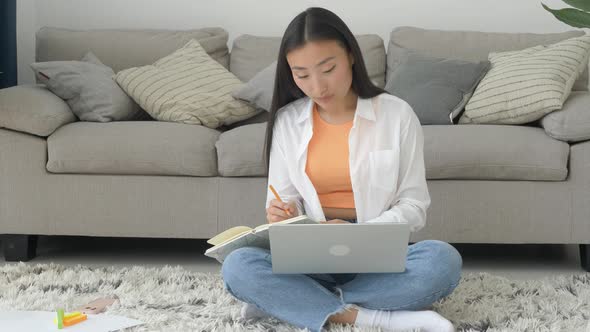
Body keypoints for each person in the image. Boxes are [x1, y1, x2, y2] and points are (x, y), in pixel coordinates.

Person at [221, 7, 462, 332]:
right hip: (311, 257)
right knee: (238, 266)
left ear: (350, 55)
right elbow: (284, 199)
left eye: (328, 69)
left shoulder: (397, 115)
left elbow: (415, 207)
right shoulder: (288, 122)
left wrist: (357, 233)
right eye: (302, 74)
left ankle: (292, 301)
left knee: (442, 261)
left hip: (375, 254)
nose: (317, 86)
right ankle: (370, 316)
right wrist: (285, 213)